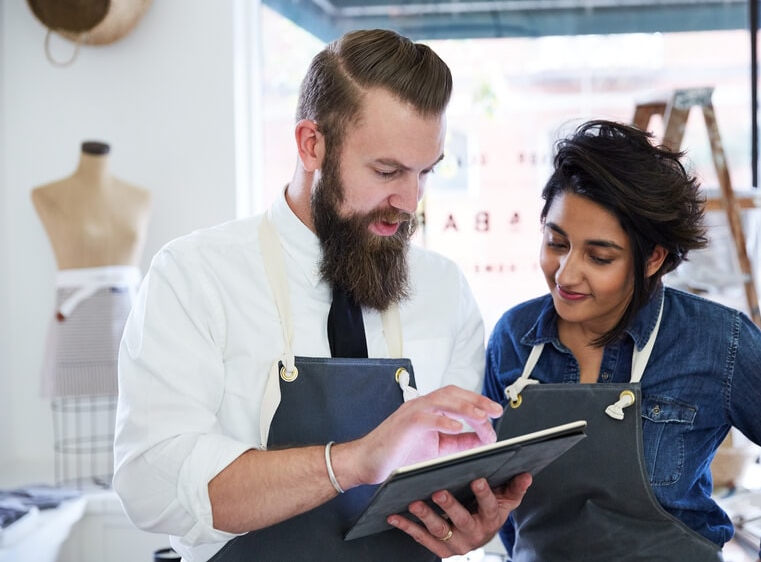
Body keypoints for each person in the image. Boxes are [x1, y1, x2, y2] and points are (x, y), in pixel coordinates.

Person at [113, 29, 531, 562]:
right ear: (312, 144)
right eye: (386, 171)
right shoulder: (196, 276)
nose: (409, 201)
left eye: (426, 173)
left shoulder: (444, 290)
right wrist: (354, 461)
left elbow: (452, 480)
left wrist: (467, 527)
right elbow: (151, 487)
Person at [483, 119, 761, 562]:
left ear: (653, 258)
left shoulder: (720, 342)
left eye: (599, 256)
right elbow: (499, 502)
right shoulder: (514, 338)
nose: (566, 274)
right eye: (556, 242)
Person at [32, 140, 151, 398]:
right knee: (75, 434)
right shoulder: (47, 195)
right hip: (76, 324)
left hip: (128, 323)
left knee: (137, 415)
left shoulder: (140, 197)